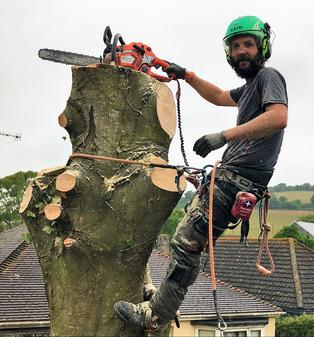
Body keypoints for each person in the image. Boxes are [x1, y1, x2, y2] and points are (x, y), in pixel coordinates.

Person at [114, 15, 288, 330]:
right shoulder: (249, 88)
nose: (241, 52)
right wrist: (186, 75)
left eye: (248, 45)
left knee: (186, 245)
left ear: (262, 46)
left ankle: (156, 315)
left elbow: (278, 118)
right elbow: (220, 96)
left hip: (237, 181)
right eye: (235, 47)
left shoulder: (269, 77)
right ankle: (160, 300)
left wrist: (223, 136)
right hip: (230, 178)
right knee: (186, 241)